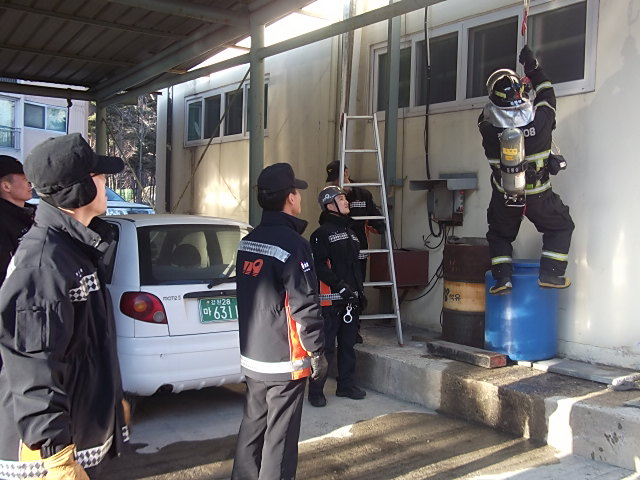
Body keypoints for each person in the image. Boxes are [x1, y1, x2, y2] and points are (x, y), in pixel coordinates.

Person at [0, 133, 129, 479]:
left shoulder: (74, 250)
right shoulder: (44, 264)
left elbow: (87, 345)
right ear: (79, 190)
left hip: (79, 437)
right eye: (99, 176)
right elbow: (33, 365)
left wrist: (113, 396)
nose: (106, 183)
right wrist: (56, 457)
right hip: (50, 460)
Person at [231, 163, 327, 480]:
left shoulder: (248, 241)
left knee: (253, 427)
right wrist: (317, 351)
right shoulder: (294, 245)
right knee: (280, 441)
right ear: (290, 198)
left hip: (253, 357)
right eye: (297, 192)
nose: (299, 197)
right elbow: (305, 304)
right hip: (285, 361)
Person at [478, 46, 574, 295]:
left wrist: (511, 93)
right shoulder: (541, 119)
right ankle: (551, 274)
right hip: (539, 194)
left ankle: (502, 279)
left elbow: (492, 108)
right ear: (520, 94)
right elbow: (547, 93)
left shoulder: (487, 128)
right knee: (561, 226)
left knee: (499, 235)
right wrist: (532, 68)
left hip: (505, 195)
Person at [308, 185, 367, 408]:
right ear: (329, 205)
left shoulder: (352, 232)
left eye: (345, 199)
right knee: (326, 349)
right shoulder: (320, 234)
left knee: (348, 345)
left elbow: (355, 268)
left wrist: (359, 293)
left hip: (350, 301)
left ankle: (346, 385)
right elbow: (319, 267)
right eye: (341, 199)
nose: (346, 202)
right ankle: (316, 391)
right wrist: (340, 287)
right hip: (330, 301)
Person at [326, 161, 385, 343]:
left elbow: (374, 218)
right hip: (339, 253)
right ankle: (339, 328)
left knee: (358, 291)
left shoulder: (362, 195)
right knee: (340, 289)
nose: (336, 182)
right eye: (333, 179)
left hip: (359, 252)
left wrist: (381, 225)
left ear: (346, 173)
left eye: (338, 177)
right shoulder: (331, 195)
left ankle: (354, 329)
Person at [0, 155, 35, 287]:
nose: (30, 184)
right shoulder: (3, 223)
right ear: (6, 186)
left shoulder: (34, 214)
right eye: (25, 179)